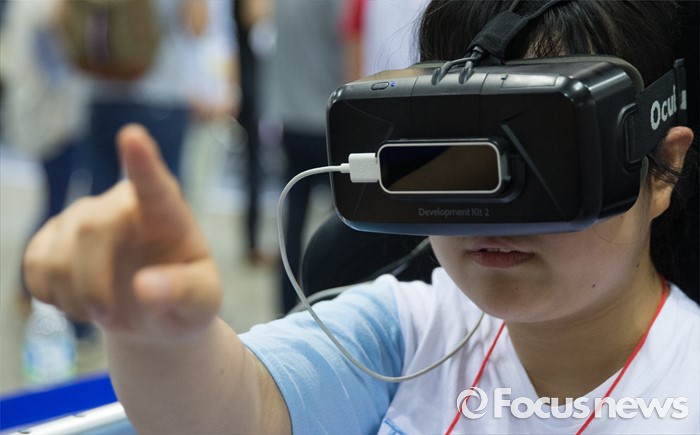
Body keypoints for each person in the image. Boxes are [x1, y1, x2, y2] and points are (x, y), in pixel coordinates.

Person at [22, 1, 699, 434]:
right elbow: (239, 410)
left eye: (547, 159)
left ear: (661, 167)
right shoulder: (409, 335)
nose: (490, 207)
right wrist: (157, 331)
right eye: (450, 156)